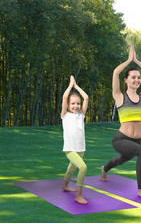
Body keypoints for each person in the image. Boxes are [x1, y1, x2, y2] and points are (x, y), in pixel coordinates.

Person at [101, 45, 141, 199]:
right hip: (121, 139)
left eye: (139, 77)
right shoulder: (119, 96)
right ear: (126, 80)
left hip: (137, 139)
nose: (137, 80)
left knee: (120, 159)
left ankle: (105, 169)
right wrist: (128, 60)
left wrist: (136, 61)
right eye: (133, 77)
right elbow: (115, 72)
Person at [61, 75, 89, 204]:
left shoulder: (81, 115)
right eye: (73, 104)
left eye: (78, 103)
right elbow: (65, 97)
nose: (76, 106)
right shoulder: (65, 116)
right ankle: (78, 195)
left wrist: (76, 86)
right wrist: (70, 85)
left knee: (71, 169)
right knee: (83, 167)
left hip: (81, 148)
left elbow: (86, 98)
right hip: (70, 149)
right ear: (67, 105)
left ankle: (65, 186)